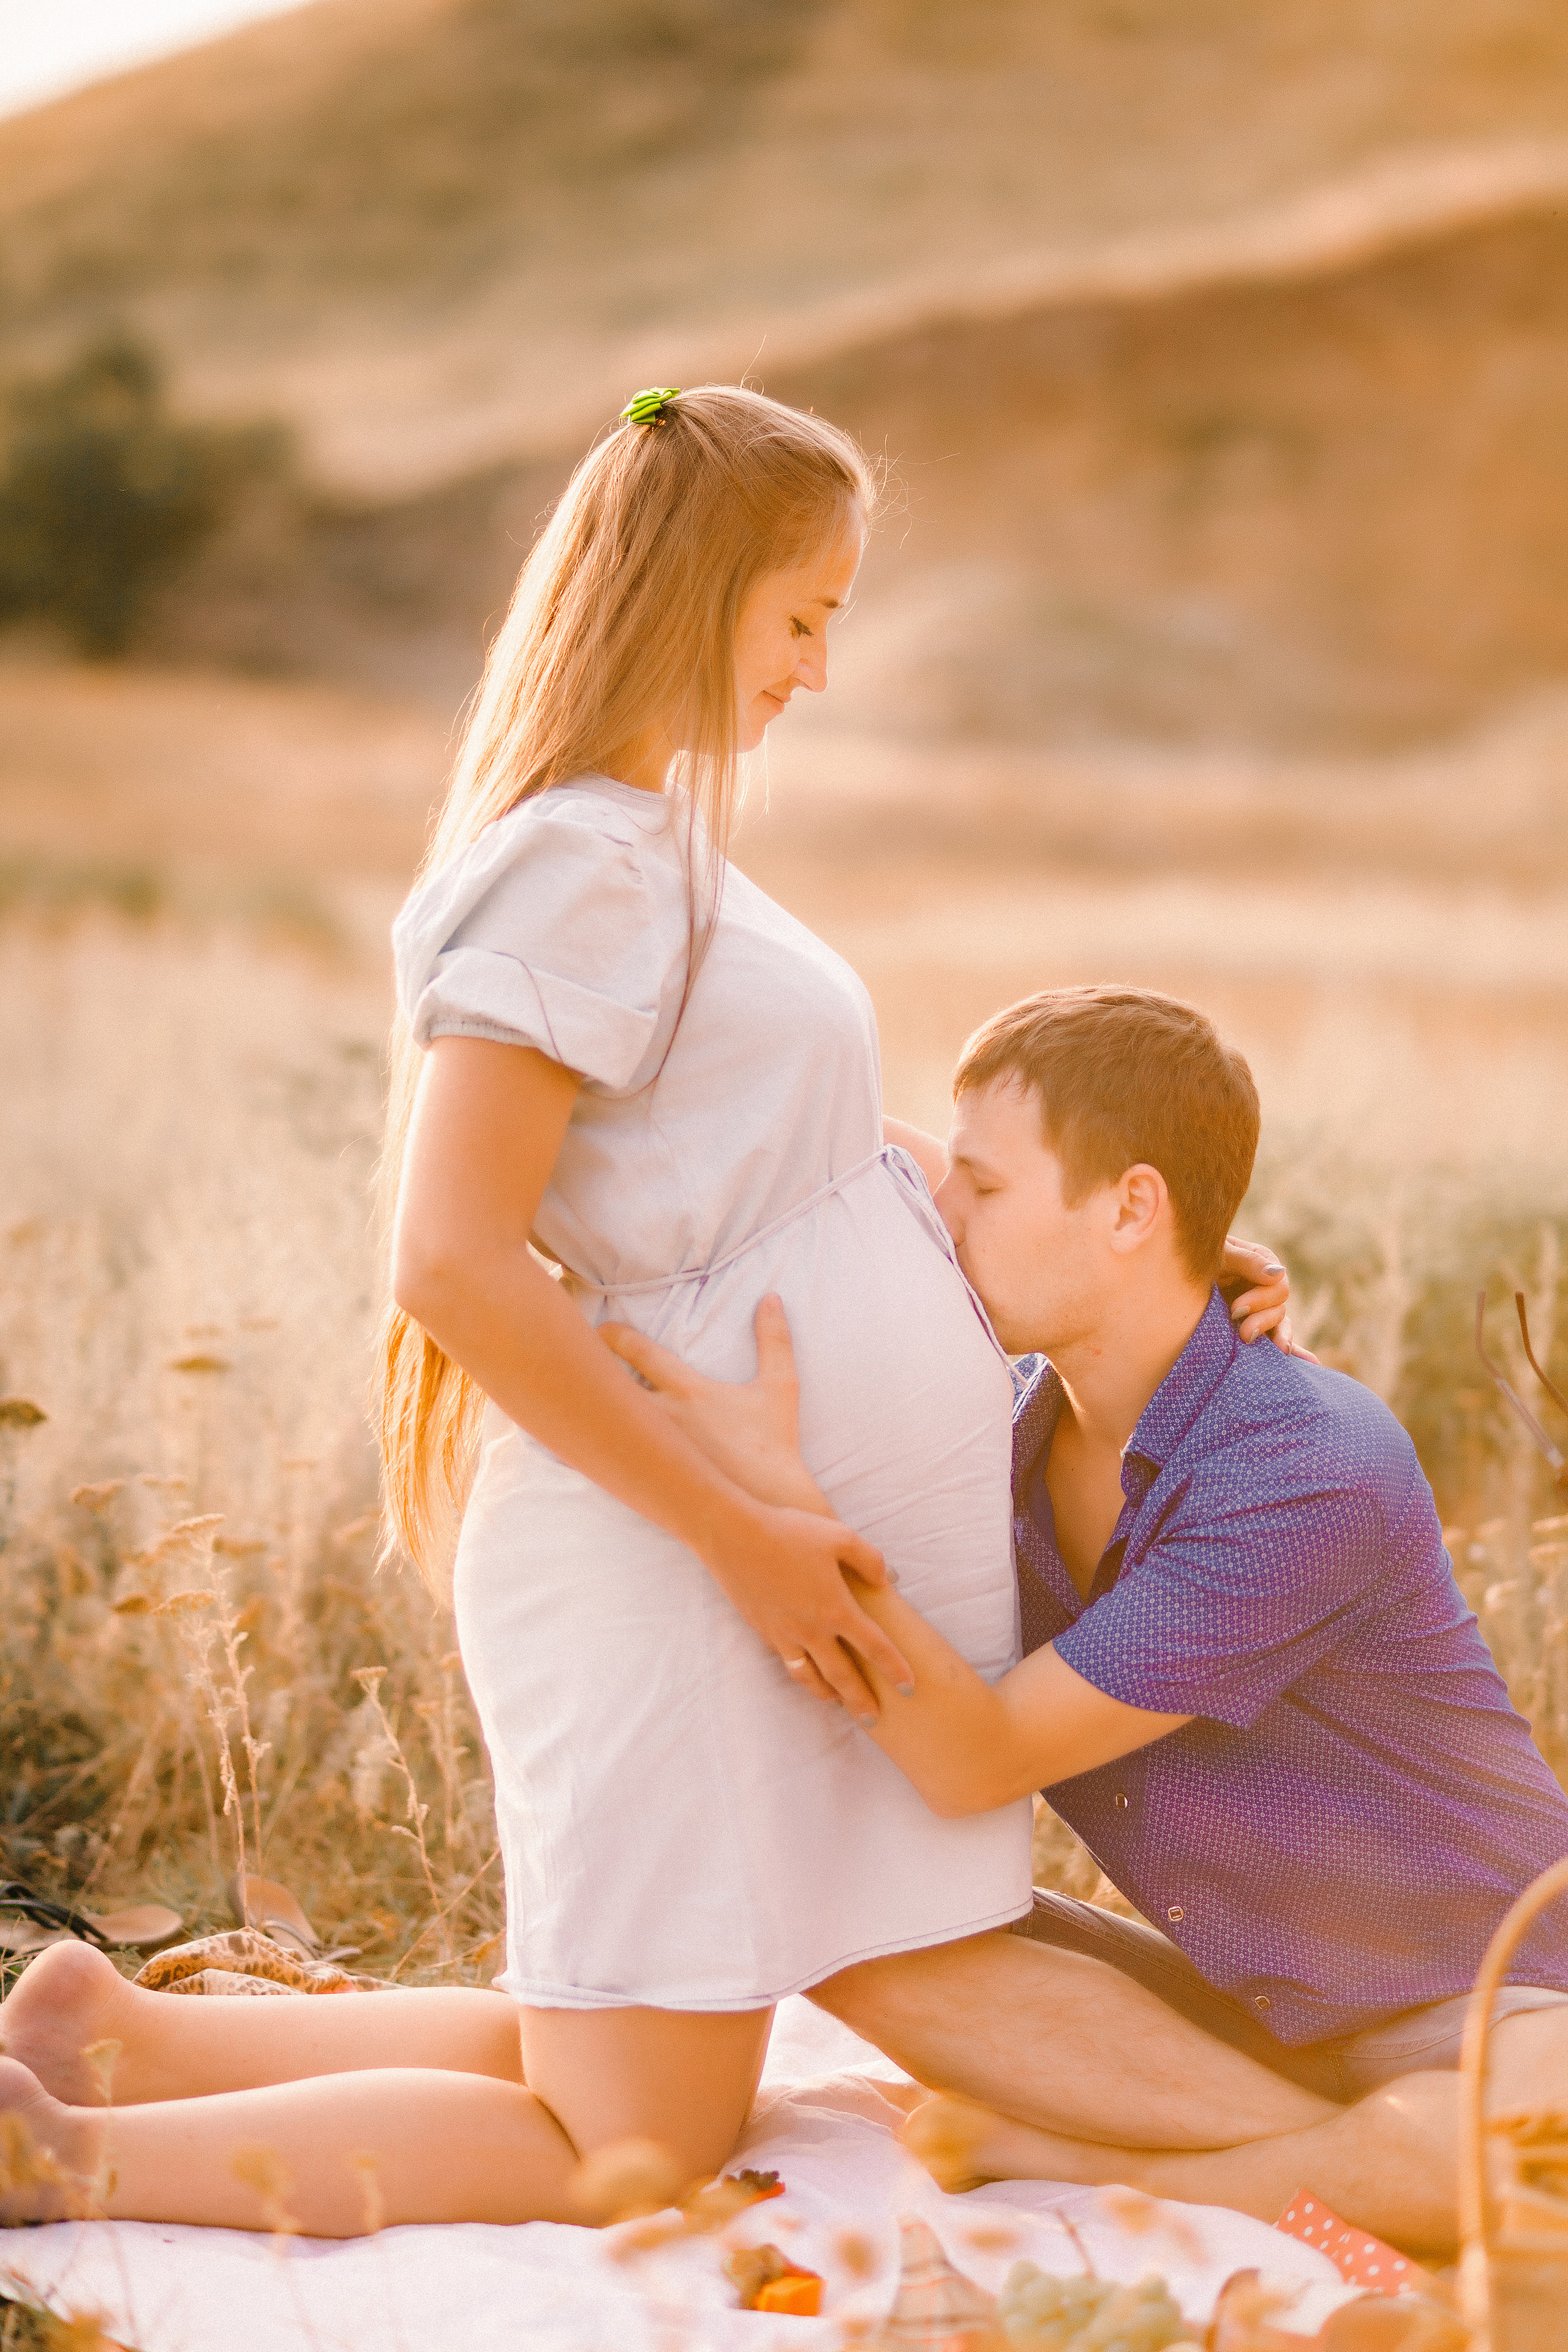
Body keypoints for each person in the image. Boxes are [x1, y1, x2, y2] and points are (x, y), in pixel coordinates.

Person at [0, 382, 1298, 2237]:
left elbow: (817, 1170)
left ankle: (111, 2034)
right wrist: (749, 1534)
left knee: (612, 2055)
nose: (819, 670)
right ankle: (62, 2157)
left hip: (735, 1552)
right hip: (676, 1561)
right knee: (636, 2137)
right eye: (802, 616)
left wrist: (1137, 1273)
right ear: (699, 597)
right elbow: (451, 1260)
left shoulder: (657, 857)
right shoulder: (573, 867)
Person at [603, 984, 1568, 2258]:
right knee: (818, 1908)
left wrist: (788, 1510)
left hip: (1495, 1996)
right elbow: (844, 1151)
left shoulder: (1299, 1465)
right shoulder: (995, 1427)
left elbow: (974, 1760)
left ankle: (1100, 2156)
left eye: (983, 1193)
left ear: (1129, 1207)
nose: (936, 1221)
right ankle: (1345, 2157)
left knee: (1531, 2156)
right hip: (1233, 2004)